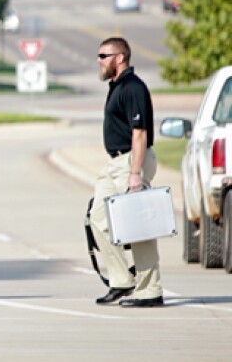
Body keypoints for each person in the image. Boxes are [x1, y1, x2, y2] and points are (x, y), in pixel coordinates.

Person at [90, 37, 162, 307]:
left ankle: (150, 290)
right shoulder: (117, 86)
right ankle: (122, 280)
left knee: (138, 225)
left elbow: (140, 132)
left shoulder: (133, 87)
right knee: (97, 218)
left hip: (132, 161)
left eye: (103, 55)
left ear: (120, 58)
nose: (99, 60)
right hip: (115, 163)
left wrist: (135, 173)